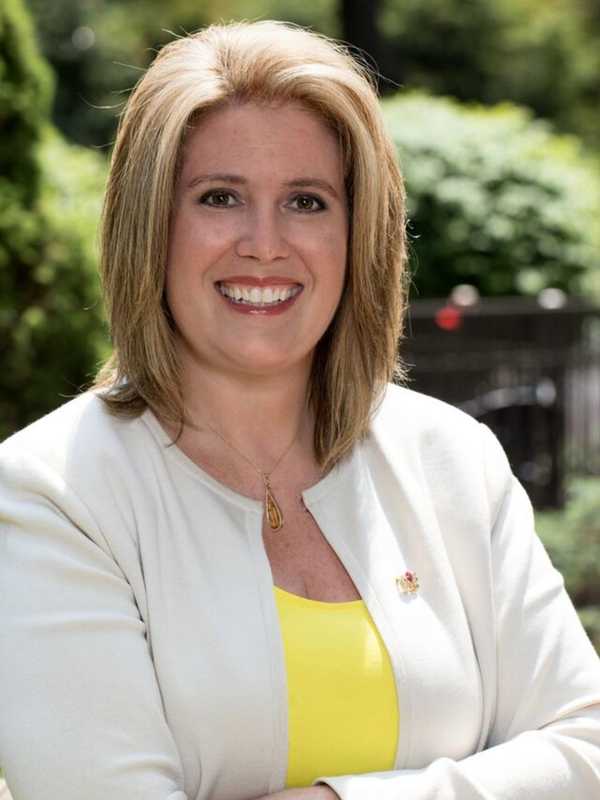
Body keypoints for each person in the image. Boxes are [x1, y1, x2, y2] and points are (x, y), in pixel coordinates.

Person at [1, 19, 599, 800]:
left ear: (359, 235)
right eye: (220, 197)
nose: (264, 243)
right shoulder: (49, 497)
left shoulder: (454, 458)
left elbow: (586, 748)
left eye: (307, 202)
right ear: (149, 226)